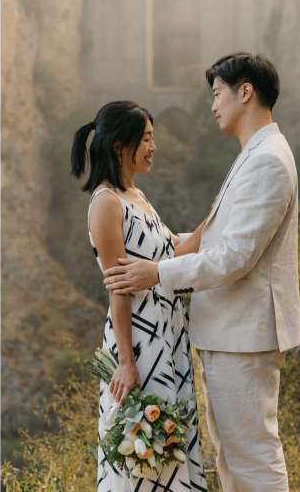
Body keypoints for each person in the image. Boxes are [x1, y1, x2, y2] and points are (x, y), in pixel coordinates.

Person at [103, 53, 300, 492]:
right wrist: (163, 245)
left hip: (244, 334)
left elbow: (236, 256)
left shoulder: (267, 159)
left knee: (252, 460)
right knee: (233, 459)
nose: (212, 106)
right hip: (229, 333)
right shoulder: (254, 154)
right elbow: (216, 235)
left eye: (217, 94)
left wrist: (158, 272)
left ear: (244, 92)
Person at [71, 101, 206, 491]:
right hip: (140, 342)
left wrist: (211, 221)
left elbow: (170, 256)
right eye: (146, 138)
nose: (154, 146)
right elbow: (119, 286)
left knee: (172, 448)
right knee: (143, 459)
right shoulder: (106, 202)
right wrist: (127, 362)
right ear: (119, 146)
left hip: (170, 336)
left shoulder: (137, 196)